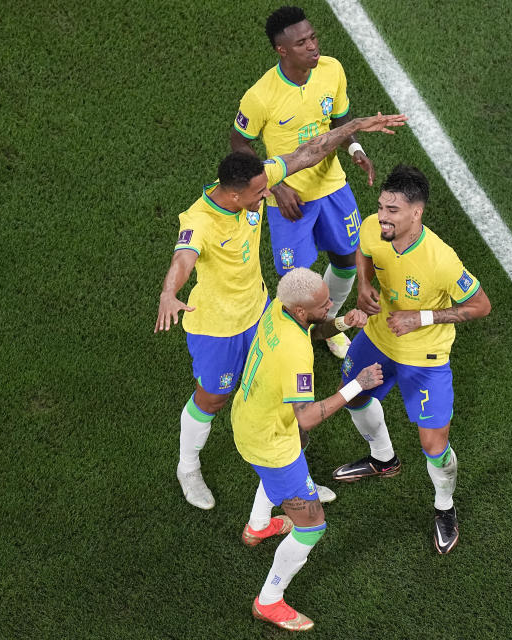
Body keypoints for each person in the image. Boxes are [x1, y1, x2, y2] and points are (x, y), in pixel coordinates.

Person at [154, 113, 406, 511]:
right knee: (213, 398)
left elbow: (309, 151)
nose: (267, 195)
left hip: (259, 313)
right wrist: (170, 292)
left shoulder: (255, 183)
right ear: (235, 195)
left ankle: (296, 478)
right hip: (217, 327)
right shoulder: (199, 220)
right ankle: (188, 466)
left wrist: (352, 128)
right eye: (260, 193)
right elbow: (183, 258)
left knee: (287, 402)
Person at [332, 165, 491, 554]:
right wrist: (365, 285)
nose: (383, 216)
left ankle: (444, 508)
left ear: (416, 213)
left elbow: (480, 306)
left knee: (434, 444)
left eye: (393, 210)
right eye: (382, 207)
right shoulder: (375, 227)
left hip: (426, 356)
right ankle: (383, 459)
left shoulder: (441, 261)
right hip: (379, 336)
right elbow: (364, 250)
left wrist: (419, 317)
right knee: (351, 394)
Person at [231, 267, 383, 631]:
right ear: (300, 309)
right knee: (312, 526)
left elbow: (315, 329)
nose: (331, 302)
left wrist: (343, 321)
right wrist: (356, 386)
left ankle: (259, 526)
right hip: (271, 443)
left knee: (297, 447)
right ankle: (269, 601)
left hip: (251, 419)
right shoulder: (294, 354)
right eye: (324, 303)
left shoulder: (278, 308)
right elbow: (307, 417)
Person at [231, 5, 376, 360]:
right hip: (289, 199)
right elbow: (239, 142)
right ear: (282, 50)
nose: (313, 47)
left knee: (346, 260)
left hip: (333, 188)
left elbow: (340, 119)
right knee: (294, 279)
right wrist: (274, 186)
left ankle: (326, 325)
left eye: (313, 37)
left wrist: (354, 147)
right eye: (302, 43)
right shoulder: (261, 95)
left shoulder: (332, 70)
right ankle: (287, 342)